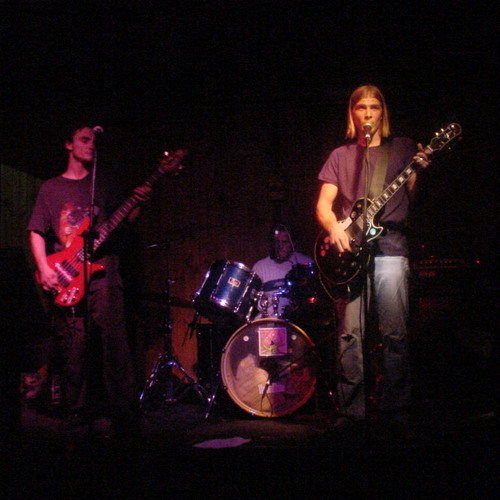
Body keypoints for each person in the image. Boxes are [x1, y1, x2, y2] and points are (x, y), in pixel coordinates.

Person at [315, 84, 431, 434]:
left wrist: (418, 173)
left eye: (374, 107)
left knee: (394, 333)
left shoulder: (403, 148)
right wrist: (333, 227)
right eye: (361, 107)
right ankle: (351, 413)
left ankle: (396, 412)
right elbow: (323, 205)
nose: (367, 113)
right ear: (352, 113)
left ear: (383, 112)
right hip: (351, 254)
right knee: (349, 334)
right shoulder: (340, 155)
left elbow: (414, 198)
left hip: (391, 248)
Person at [27, 123, 151, 436]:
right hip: (66, 275)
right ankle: (76, 412)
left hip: (104, 275)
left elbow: (126, 220)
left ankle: (124, 412)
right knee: (73, 346)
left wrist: (137, 202)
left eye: (94, 140)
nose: (91, 145)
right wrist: (43, 268)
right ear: (68, 144)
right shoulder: (51, 188)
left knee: (114, 344)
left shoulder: (106, 184)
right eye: (84, 139)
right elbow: (37, 231)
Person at [252, 224, 313, 320]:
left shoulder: (304, 262)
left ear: (293, 243)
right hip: (268, 319)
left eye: (284, 242)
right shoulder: (260, 267)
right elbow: (253, 298)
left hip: (297, 319)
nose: (280, 246)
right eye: (277, 242)